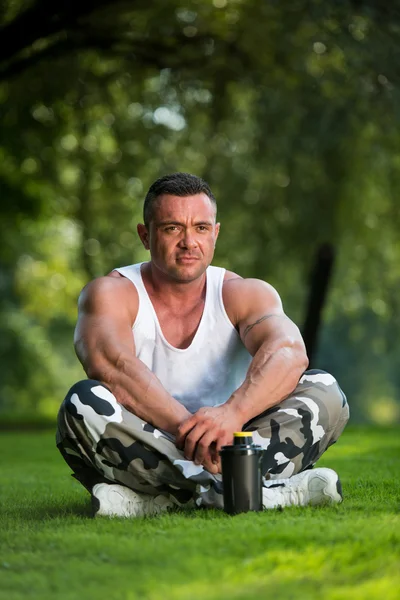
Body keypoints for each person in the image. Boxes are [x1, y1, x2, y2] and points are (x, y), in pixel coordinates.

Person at [56, 172, 349, 518]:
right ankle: (260, 492)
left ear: (215, 233)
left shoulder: (244, 293)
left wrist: (232, 415)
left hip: (237, 439)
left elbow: (289, 352)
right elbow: (111, 365)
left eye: (200, 228)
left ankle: (160, 500)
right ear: (144, 235)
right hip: (154, 439)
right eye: (172, 228)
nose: (188, 242)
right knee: (82, 403)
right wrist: (193, 432)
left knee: (326, 390)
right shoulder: (111, 293)